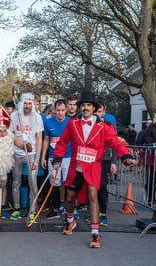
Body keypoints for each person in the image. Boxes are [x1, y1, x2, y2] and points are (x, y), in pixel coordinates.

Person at [53, 91, 136, 248]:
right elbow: (62, 142)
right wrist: (57, 159)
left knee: (93, 194)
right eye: (83, 105)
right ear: (80, 107)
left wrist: (125, 156)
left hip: (93, 167)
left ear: (94, 108)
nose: (85, 108)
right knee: (70, 197)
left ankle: (95, 234)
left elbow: (115, 142)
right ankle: (70, 220)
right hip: (76, 166)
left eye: (88, 105)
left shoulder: (104, 127)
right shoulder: (72, 124)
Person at [9, 93, 43, 222]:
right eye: (25, 103)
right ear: (21, 103)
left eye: (29, 103)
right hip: (17, 153)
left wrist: (37, 159)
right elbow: (10, 135)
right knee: (16, 182)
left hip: (31, 153)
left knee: (32, 182)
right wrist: (11, 155)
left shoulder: (37, 117)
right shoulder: (14, 116)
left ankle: (32, 210)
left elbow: (39, 138)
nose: (27, 106)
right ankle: (17, 208)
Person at [41, 99, 72, 219]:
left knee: (67, 183)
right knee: (54, 182)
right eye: (58, 110)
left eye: (62, 110)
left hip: (67, 157)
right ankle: (55, 208)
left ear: (66, 110)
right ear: (54, 110)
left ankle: (68, 208)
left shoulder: (71, 122)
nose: (60, 113)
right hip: (52, 157)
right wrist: (43, 157)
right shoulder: (48, 122)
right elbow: (46, 139)